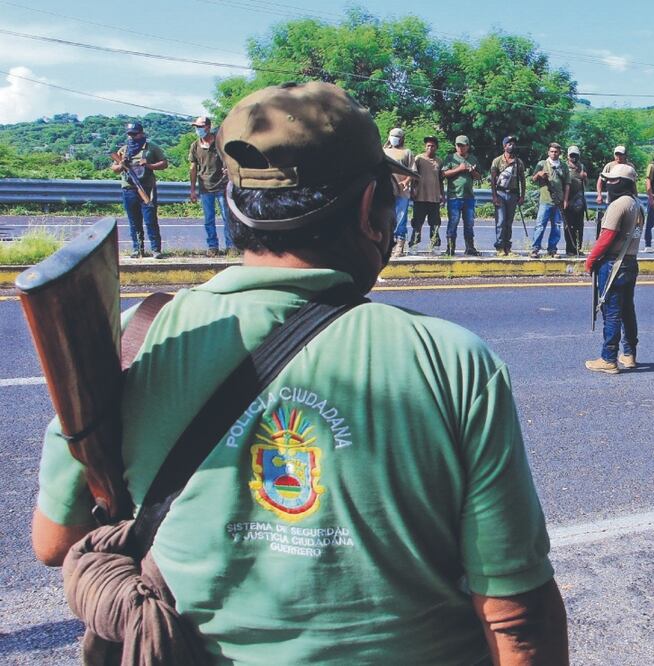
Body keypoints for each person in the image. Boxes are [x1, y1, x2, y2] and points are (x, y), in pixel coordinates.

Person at [31, 82, 569, 663]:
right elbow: (517, 618)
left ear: (236, 204)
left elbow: (54, 539)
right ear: (369, 210)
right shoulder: (453, 361)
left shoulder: (136, 337)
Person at [584, 164, 642, 374]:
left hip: (613, 264)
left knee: (612, 311)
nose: (608, 184)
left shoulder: (619, 205)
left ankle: (608, 358)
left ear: (622, 183)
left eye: (612, 180)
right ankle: (629, 354)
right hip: (630, 262)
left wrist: (590, 259)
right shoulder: (637, 204)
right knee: (627, 310)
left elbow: (606, 237)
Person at [112, 121, 168, 259]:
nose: (131, 137)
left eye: (134, 134)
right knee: (134, 221)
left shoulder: (151, 148)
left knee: (150, 219)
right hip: (129, 188)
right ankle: (137, 249)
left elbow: (164, 163)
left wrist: (149, 165)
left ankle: (156, 249)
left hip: (147, 188)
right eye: (130, 134)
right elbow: (114, 169)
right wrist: (121, 165)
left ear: (141, 134)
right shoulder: (123, 150)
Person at [187, 116, 232, 257]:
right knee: (209, 219)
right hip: (205, 187)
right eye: (196, 127)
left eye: (200, 127)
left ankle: (231, 246)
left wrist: (228, 170)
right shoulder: (195, 146)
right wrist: (193, 189)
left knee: (227, 218)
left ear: (208, 127)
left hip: (222, 186)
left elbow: (230, 160)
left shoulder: (220, 143)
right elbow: (193, 168)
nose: (197, 130)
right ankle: (213, 246)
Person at [442, 135, 483, 256]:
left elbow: (479, 177)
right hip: (454, 196)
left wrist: (472, 171)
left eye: (462, 146)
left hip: (468, 197)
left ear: (467, 146)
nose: (460, 148)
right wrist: (459, 169)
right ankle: (450, 249)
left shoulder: (473, 159)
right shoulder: (450, 158)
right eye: (458, 145)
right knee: (453, 222)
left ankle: (470, 247)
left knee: (469, 223)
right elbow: (444, 173)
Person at [530, 142, 569, 258]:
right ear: (548, 152)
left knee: (556, 226)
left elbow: (567, 184)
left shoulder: (563, 166)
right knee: (540, 225)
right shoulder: (542, 164)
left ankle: (552, 249)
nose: (554, 153)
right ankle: (535, 249)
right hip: (545, 200)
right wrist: (539, 175)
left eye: (556, 151)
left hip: (558, 201)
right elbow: (532, 179)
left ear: (559, 153)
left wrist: (565, 200)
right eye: (551, 151)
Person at [490, 135, 527, 257]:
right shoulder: (497, 161)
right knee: (500, 221)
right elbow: (493, 179)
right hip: (500, 193)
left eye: (513, 144)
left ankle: (507, 247)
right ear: (504, 146)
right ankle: (500, 247)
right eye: (509, 144)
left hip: (513, 194)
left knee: (509, 222)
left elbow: (522, 179)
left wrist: (522, 196)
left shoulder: (518, 162)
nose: (512, 146)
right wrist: (494, 196)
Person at [384, 127, 415, 258]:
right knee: (386, 219)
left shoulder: (406, 152)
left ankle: (399, 246)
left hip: (402, 192)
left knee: (401, 219)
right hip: (386, 191)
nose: (394, 138)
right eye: (392, 135)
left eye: (397, 136)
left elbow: (412, 171)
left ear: (402, 138)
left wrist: (406, 181)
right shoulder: (383, 151)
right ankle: (387, 245)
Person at [410, 135, 444, 251]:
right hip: (420, 197)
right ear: (425, 147)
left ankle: (434, 244)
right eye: (428, 145)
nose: (430, 148)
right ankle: (413, 244)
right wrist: (412, 190)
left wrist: (442, 195)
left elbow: (440, 180)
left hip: (434, 198)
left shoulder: (439, 161)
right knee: (417, 223)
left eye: (433, 146)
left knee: (435, 223)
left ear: (436, 147)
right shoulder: (419, 159)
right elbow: (413, 176)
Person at [594, 145, 635, 238]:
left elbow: (633, 183)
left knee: (625, 222)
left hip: (626, 197)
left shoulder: (630, 166)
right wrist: (599, 195)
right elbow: (600, 181)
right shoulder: (609, 166)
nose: (618, 157)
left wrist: (635, 196)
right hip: (612, 197)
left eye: (621, 155)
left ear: (625, 155)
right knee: (609, 221)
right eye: (616, 155)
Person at [564, 145, 589, 256]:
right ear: (568, 155)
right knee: (569, 226)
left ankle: (578, 249)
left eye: (575, 155)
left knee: (579, 226)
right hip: (568, 199)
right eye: (571, 155)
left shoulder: (581, 166)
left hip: (579, 200)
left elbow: (586, 183)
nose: (573, 157)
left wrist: (585, 177)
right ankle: (570, 249)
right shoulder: (564, 166)